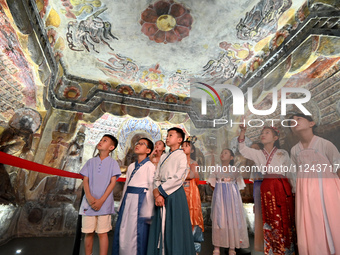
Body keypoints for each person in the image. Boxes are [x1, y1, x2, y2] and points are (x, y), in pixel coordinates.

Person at [238, 125, 296, 255]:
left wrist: (294, 190)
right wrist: (243, 131)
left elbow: (291, 173)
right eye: (262, 133)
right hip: (266, 186)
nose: (263, 134)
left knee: (283, 217)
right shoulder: (258, 153)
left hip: (281, 186)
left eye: (267, 132)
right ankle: (272, 250)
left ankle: (286, 249)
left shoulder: (283, 153)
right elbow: (242, 149)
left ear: (275, 137)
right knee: (269, 219)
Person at [289, 113, 340, 255]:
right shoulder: (294, 150)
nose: (295, 122)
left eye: (298, 119)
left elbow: (338, 167)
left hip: (327, 191)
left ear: (311, 123)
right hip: (305, 194)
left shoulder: (325, 144)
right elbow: (293, 174)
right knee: (311, 223)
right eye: (292, 121)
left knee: (331, 220)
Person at [147, 127, 196, 255]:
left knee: (174, 227)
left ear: (179, 140)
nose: (167, 138)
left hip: (174, 194)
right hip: (161, 193)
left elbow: (178, 177)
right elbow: (157, 176)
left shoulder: (181, 155)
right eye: (167, 135)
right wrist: (157, 193)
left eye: (171, 135)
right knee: (160, 226)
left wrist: (160, 191)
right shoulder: (164, 156)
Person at [112, 137, 156, 255]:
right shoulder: (131, 166)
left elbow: (152, 188)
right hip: (128, 200)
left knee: (136, 232)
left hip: (140, 201)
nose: (138, 145)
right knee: (124, 229)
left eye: (142, 144)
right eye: (137, 143)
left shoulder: (150, 166)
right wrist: (121, 204)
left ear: (148, 150)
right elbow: (126, 186)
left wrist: (149, 209)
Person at [79, 134, 121, 255]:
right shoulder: (90, 162)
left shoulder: (113, 163)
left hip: (105, 203)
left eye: (105, 141)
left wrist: (101, 201)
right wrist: (88, 197)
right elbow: (85, 180)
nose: (101, 142)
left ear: (111, 147)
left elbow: (113, 183)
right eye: (101, 140)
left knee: (102, 233)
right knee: (88, 232)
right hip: (88, 203)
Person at [208, 148, 249, 255]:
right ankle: (217, 247)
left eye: (226, 153)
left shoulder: (235, 170)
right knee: (219, 220)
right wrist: (219, 191)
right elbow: (211, 183)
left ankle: (232, 246)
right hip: (220, 198)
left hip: (232, 200)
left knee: (232, 220)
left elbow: (240, 184)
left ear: (231, 158)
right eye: (222, 152)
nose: (222, 154)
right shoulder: (216, 168)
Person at [182, 140, 204, 254]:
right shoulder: (177, 162)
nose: (184, 147)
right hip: (180, 191)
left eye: (187, 146)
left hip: (191, 192)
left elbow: (193, 176)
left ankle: (194, 247)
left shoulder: (194, 163)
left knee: (193, 216)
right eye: (183, 146)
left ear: (193, 150)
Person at [247, 143, 264, 252]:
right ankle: (261, 245)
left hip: (268, 187)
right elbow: (253, 182)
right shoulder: (253, 166)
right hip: (257, 189)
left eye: (256, 149)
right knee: (259, 216)